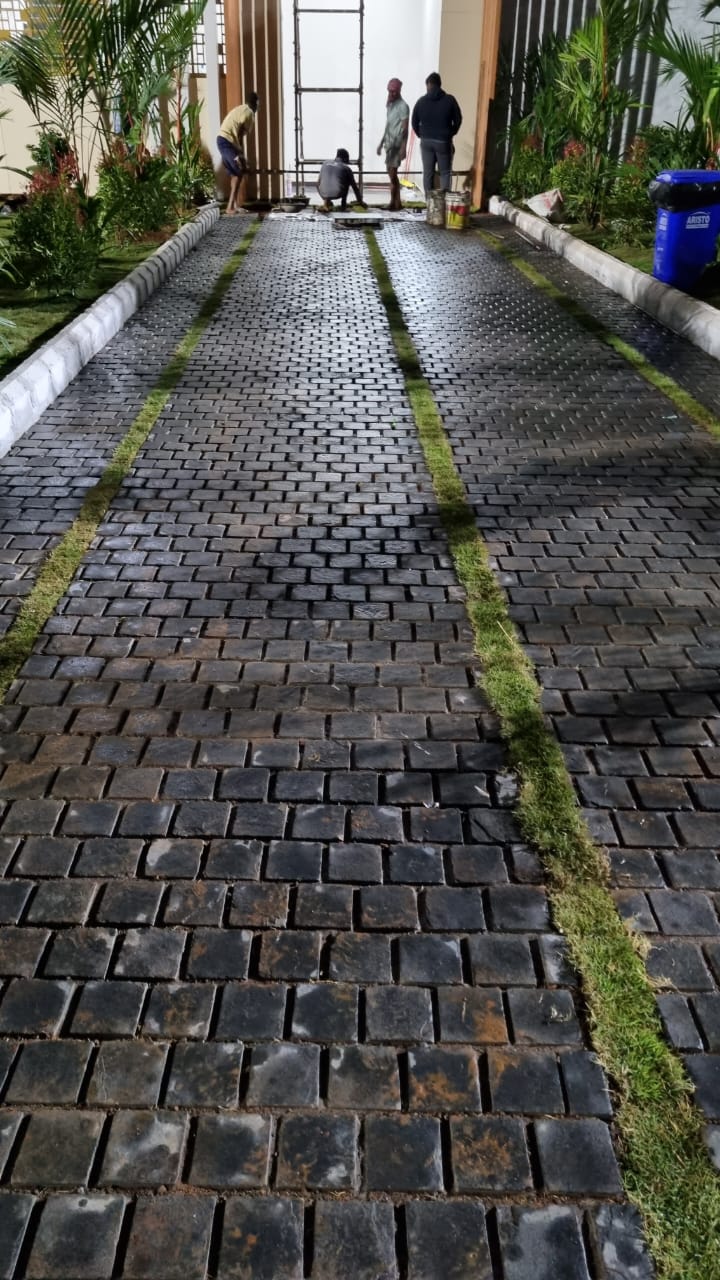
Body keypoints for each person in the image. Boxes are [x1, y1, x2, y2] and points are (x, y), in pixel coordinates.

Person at [411, 72, 462, 196]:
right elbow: (458, 119)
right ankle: (444, 202)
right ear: (440, 84)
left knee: (428, 173)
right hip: (443, 142)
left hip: (426, 141)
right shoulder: (450, 100)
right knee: (445, 173)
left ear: (428, 85)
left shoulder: (421, 101)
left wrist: (421, 134)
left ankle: (430, 204)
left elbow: (414, 122)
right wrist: (450, 133)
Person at [217, 92, 259, 214]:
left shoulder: (241, 108)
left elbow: (237, 131)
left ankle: (233, 206)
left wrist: (240, 154)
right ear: (255, 104)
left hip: (223, 140)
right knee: (239, 172)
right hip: (227, 142)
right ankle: (230, 207)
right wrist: (240, 154)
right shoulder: (250, 113)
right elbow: (240, 132)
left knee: (235, 174)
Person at [377, 77, 409, 211]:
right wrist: (381, 143)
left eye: (394, 92)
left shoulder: (402, 106)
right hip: (389, 144)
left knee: (392, 174)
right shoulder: (391, 105)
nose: (391, 94)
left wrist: (403, 147)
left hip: (396, 145)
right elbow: (388, 125)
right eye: (390, 91)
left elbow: (405, 128)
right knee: (392, 175)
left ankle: (393, 203)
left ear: (399, 91)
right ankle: (397, 203)